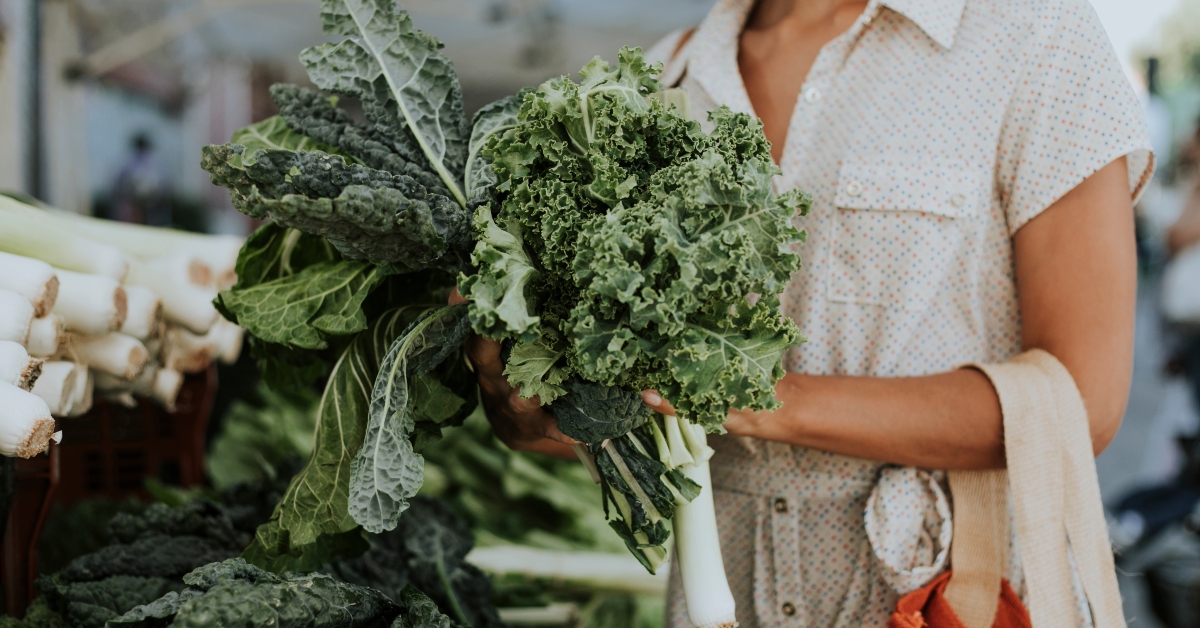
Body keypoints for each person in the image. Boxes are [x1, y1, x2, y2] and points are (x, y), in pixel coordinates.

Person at [455, 0, 1153, 625]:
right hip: (724, 598)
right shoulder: (667, 75)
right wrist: (525, 412)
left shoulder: (1033, 34)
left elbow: (1082, 399)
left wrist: (755, 397)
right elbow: (624, 416)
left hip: (951, 597)